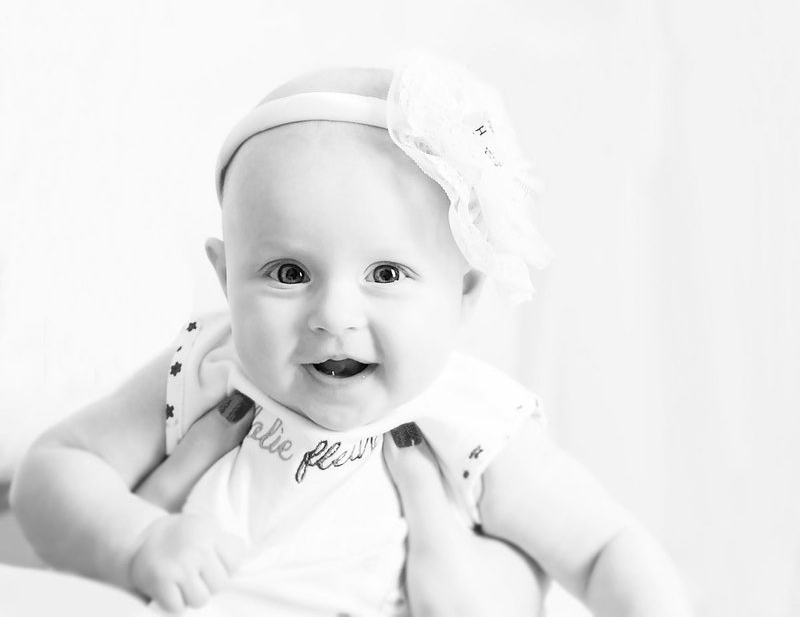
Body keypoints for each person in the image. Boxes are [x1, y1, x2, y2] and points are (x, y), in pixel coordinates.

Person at [11, 55, 691, 616]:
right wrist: (136, 542)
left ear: (464, 293)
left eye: (386, 274)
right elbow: (55, 468)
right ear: (225, 277)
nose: (334, 315)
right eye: (288, 272)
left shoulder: (471, 422)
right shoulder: (208, 367)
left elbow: (605, 550)